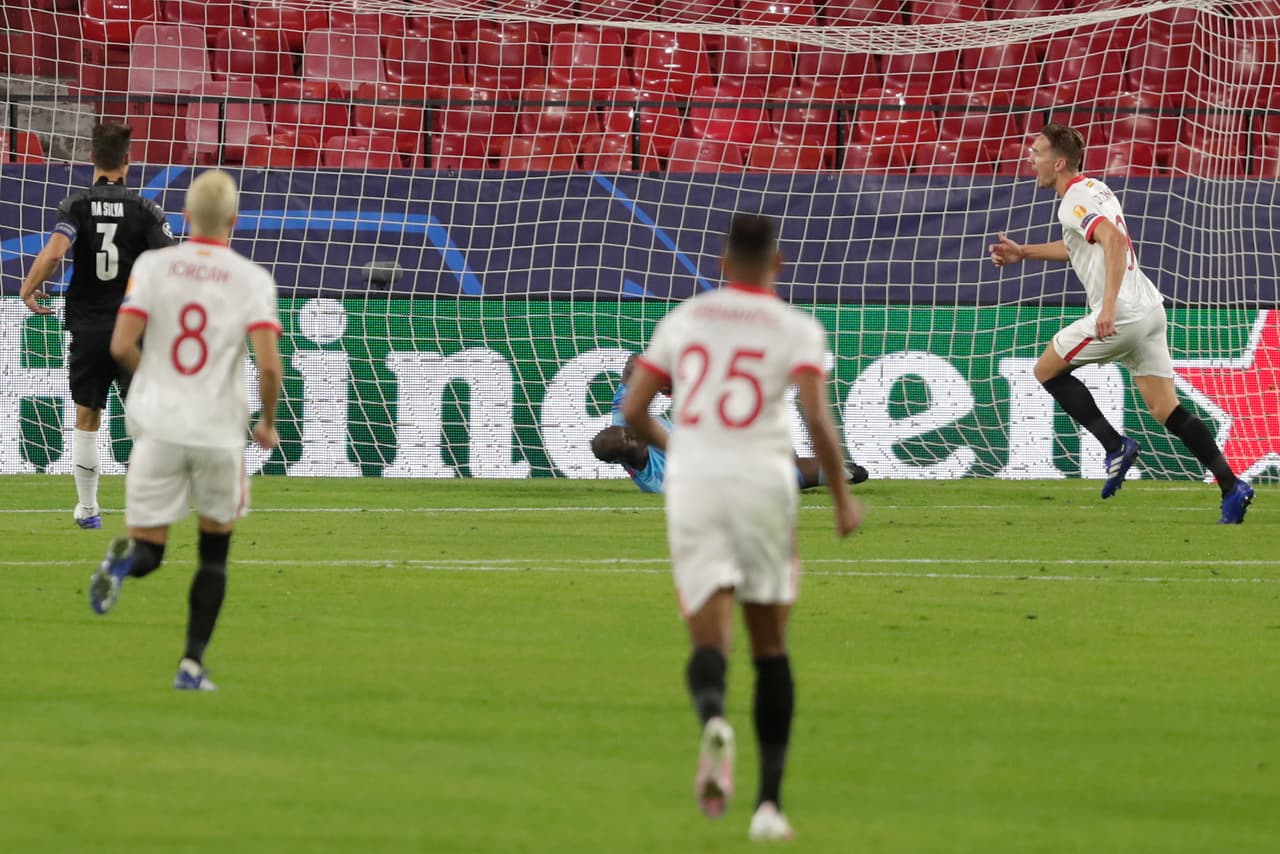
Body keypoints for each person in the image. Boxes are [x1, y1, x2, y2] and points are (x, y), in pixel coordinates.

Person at [622, 214, 862, 841]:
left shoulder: (686, 320)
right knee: (770, 648)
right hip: (763, 485)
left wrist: (681, 451)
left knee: (709, 639)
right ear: (776, 265)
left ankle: (711, 719)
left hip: (697, 485)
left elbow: (633, 408)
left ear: (724, 265)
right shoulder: (795, 328)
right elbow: (817, 418)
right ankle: (769, 806)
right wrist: (840, 498)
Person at [989, 123, 1254, 523]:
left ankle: (1115, 446)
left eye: (1037, 152)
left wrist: (1108, 308)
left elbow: (1111, 240)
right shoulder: (1094, 189)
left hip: (1124, 312)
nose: (1030, 157)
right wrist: (1024, 251)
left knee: (1046, 370)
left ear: (1059, 162)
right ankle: (1232, 486)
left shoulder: (1072, 200)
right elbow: (1084, 243)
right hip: (1148, 308)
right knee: (1166, 408)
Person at [88, 170, 282, 692]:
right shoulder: (251, 279)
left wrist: (157, 381)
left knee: (150, 547)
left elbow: (122, 345)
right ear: (234, 222)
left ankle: (124, 561)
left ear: (188, 216)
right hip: (218, 432)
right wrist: (266, 422)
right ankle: (191, 667)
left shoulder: (154, 266)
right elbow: (267, 366)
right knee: (214, 551)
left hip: (159, 425)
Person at [19, 122, 176, 529]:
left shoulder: (76, 207)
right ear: (128, 160)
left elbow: (55, 252)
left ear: (91, 158)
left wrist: (29, 287)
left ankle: (88, 509)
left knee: (87, 416)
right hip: (133, 330)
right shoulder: (145, 210)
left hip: (87, 327)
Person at [593, 354, 869, 493]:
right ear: (623, 459)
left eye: (625, 432)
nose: (632, 434)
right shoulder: (661, 481)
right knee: (845, 473)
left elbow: (632, 367)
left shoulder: (627, 419)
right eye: (628, 441)